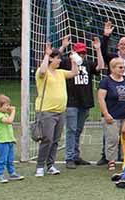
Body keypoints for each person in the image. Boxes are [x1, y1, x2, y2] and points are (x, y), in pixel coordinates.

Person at [60, 38, 105, 169]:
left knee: (78, 130)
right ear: (74, 52)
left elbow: (100, 66)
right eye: (79, 53)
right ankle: (69, 157)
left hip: (84, 101)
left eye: (84, 53)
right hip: (71, 102)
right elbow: (54, 60)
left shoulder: (88, 64)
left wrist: (97, 49)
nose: (82, 55)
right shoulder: (67, 63)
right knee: (71, 130)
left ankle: (75, 155)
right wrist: (63, 47)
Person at [34, 44, 78, 177]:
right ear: (51, 59)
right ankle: (40, 166)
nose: (59, 61)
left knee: (55, 140)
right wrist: (46, 54)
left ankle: (50, 165)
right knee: (47, 138)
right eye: (57, 58)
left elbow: (73, 73)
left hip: (60, 111)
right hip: (47, 111)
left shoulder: (60, 73)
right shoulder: (43, 72)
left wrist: (74, 61)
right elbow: (42, 72)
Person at [97, 58, 125, 171]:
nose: (123, 69)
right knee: (112, 139)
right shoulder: (106, 81)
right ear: (112, 68)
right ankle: (111, 160)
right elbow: (101, 99)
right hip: (112, 115)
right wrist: (106, 113)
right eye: (120, 67)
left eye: (123, 67)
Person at [0, 94, 25, 182]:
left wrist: (12, 138)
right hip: (2, 142)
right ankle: (0, 175)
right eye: (6, 105)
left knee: (10, 159)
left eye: (8, 105)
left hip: (9, 141)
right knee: (3, 159)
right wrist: (13, 111)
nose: (8, 107)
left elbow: (8, 129)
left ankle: (12, 173)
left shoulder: (5, 114)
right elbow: (9, 122)